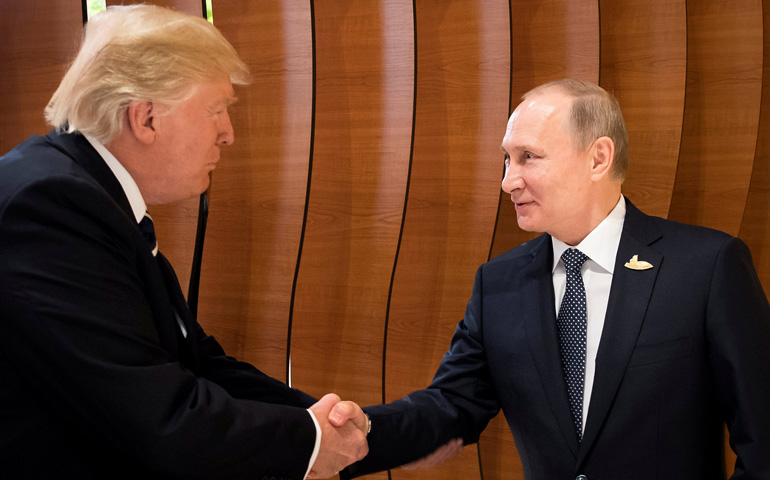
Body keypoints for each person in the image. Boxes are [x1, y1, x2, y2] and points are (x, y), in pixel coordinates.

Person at [0, 5, 367, 479]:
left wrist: (321, 419)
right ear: (146, 117)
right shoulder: (49, 205)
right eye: (216, 110)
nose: (228, 134)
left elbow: (192, 359)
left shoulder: (81, 191)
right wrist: (312, 440)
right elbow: (155, 418)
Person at [337, 79, 770, 479]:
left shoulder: (706, 266)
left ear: (598, 158)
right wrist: (366, 431)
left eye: (529, 157)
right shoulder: (498, 284)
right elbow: (451, 406)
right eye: (507, 159)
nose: (508, 181)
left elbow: (763, 437)